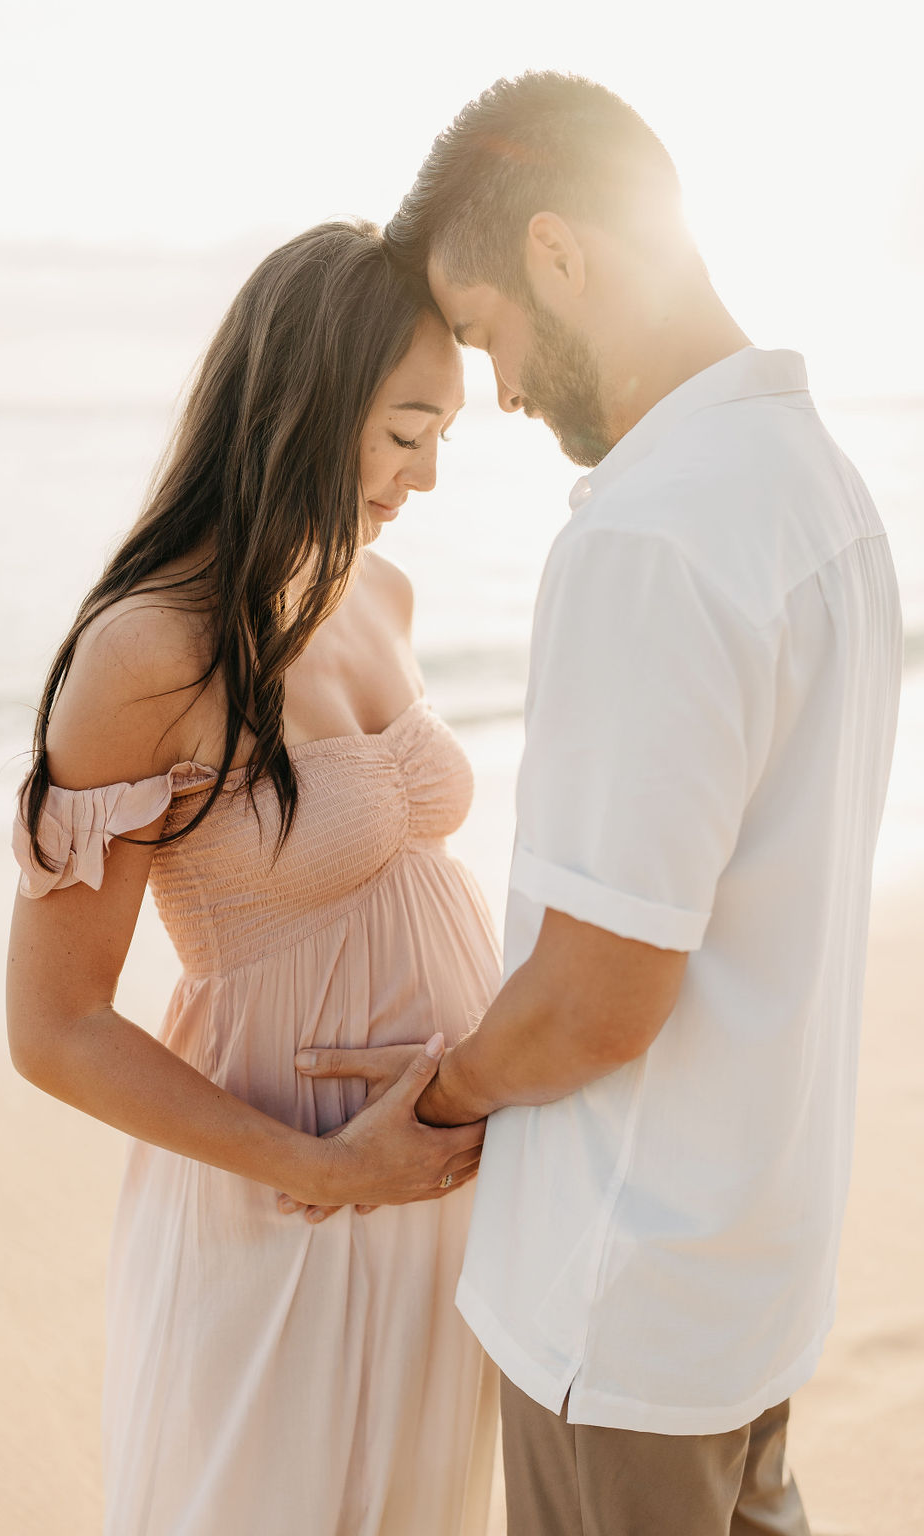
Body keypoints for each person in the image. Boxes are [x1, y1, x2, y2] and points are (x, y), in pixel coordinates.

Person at [292, 74, 903, 1534]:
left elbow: (593, 1002)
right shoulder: (826, 495)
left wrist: (429, 1103)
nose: (501, 389)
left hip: (614, 1314)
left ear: (563, 253)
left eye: (491, 329)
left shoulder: (650, 536)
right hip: (748, 1281)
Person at [6, 219, 501, 1536]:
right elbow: (51, 1028)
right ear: (300, 401)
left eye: (444, 434)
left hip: (435, 1192)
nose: (429, 475)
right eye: (406, 431)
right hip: (285, 1198)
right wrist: (329, 1166)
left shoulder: (378, 591)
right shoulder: (147, 651)